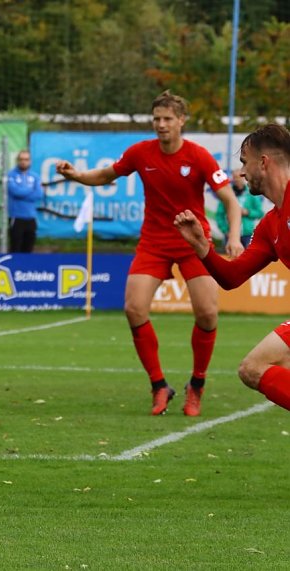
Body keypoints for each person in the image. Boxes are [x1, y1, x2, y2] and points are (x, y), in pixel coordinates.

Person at [56, 90, 243, 417]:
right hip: (154, 242)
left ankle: (196, 385)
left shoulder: (199, 157)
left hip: (193, 243)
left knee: (208, 314)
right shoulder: (141, 153)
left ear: (182, 121)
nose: (161, 124)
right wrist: (75, 176)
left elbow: (230, 200)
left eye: (168, 119)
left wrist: (235, 237)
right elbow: (105, 175)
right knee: (134, 308)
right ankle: (159, 385)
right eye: (156, 119)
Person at [175, 123, 290, 415]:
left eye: (243, 163)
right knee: (253, 368)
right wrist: (203, 247)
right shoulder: (269, 225)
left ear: (263, 162)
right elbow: (232, 277)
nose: (240, 173)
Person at [216, 169, 263, 249]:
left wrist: (248, 212)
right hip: (230, 234)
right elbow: (219, 215)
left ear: (244, 178)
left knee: (249, 258)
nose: (237, 179)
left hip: (247, 234)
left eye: (239, 177)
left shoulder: (251, 194)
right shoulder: (227, 194)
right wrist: (225, 230)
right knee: (230, 258)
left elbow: (260, 213)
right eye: (235, 177)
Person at [7, 150, 44, 253]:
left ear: (30, 161)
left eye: (26, 159)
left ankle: (25, 269)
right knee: (15, 248)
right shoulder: (11, 175)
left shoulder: (35, 176)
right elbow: (15, 192)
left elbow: (39, 194)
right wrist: (31, 189)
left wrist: (24, 191)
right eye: (21, 159)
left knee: (28, 249)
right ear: (17, 161)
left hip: (31, 217)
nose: (24, 162)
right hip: (16, 217)